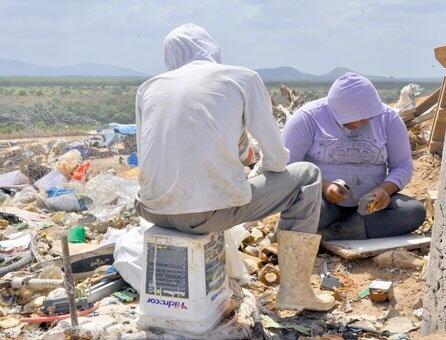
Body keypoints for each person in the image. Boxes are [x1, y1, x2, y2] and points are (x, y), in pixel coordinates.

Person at [134, 23, 333, 311]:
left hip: (153, 209)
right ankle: (296, 288)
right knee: (307, 176)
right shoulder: (242, 78)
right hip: (206, 214)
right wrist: (258, 170)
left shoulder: (148, 88)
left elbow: (151, 154)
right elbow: (277, 159)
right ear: (210, 48)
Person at [282, 73, 426, 240]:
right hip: (323, 202)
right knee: (303, 208)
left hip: (371, 208)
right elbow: (289, 166)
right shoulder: (308, 117)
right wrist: (324, 186)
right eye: (349, 120)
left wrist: (384, 190)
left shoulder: (389, 119)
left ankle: (332, 233)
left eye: (365, 119)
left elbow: (402, 165)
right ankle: (351, 229)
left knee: (414, 212)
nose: (357, 124)